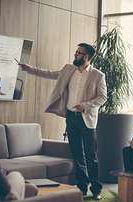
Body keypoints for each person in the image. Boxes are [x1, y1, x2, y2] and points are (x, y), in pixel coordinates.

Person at [19, 43, 107, 200]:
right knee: (77, 154)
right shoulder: (68, 69)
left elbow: (102, 97)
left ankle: (96, 189)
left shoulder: (98, 75)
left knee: (91, 155)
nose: (75, 55)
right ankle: (81, 187)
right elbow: (50, 73)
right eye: (75, 52)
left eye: (78, 53)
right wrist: (29, 69)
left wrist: (85, 105)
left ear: (86, 56)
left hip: (87, 119)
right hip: (71, 117)